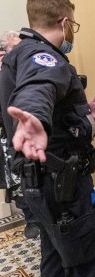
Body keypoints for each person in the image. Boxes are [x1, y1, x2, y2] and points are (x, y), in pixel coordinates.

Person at [0, 0, 95, 276]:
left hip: (43, 182)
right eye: (72, 24)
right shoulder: (42, 55)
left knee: (55, 255)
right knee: (86, 263)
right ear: (65, 23)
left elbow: (52, 99)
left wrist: (85, 113)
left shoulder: (21, 51)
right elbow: (38, 86)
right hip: (63, 186)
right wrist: (33, 116)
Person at [0, 30, 41, 240]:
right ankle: (31, 220)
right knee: (18, 184)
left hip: (32, 138)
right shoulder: (4, 74)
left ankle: (41, 218)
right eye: (14, 49)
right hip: (8, 140)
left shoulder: (31, 71)